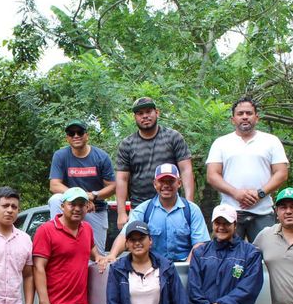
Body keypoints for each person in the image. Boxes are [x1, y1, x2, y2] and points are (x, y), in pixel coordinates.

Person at [206, 97, 289, 241]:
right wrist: (236, 193)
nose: (245, 117)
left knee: (266, 252)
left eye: (249, 113)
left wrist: (259, 193)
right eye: (240, 113)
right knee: (226, 253)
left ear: (257, 118)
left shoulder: (271, 141)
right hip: (229, 213)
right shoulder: (221, 143)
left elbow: (281, 173)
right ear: (233, 119)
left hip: (263, 212)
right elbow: (212, 175)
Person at [115, 97, 195, 230]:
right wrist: (121, 213)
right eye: (140, 113)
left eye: (148, 111)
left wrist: (189, 205)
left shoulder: (173, 137)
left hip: (172, 207)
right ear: (135, 117)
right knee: (136, 243)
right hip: (139, 208)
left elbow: (186, 170)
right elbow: (122, 179)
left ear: (157, 112)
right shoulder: (127, 144)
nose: (145, 116)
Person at [108, 163, 209, 262]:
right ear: (155, 184)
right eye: (162, 181)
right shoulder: (144, 210)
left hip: (185, 265)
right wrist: (112, 255)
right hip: (153, 267)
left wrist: (187, 267)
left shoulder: (192, 210)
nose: (166, 185)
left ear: (179, 183)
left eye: (171, 181)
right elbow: (125, 235)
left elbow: (200, 243)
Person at [48, 120, 116, 253]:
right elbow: (54, 185)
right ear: (67, 138)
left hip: (95, 209)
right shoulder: (60, 156)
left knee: (96, 258)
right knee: (55, 199)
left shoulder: (101, 157)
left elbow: (112, 187)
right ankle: (59, 239)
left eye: (79, 132)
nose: (76, 136)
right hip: (70, 207)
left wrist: (94, 195)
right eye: (71, 133)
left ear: (87, 135)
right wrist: (83, 197)